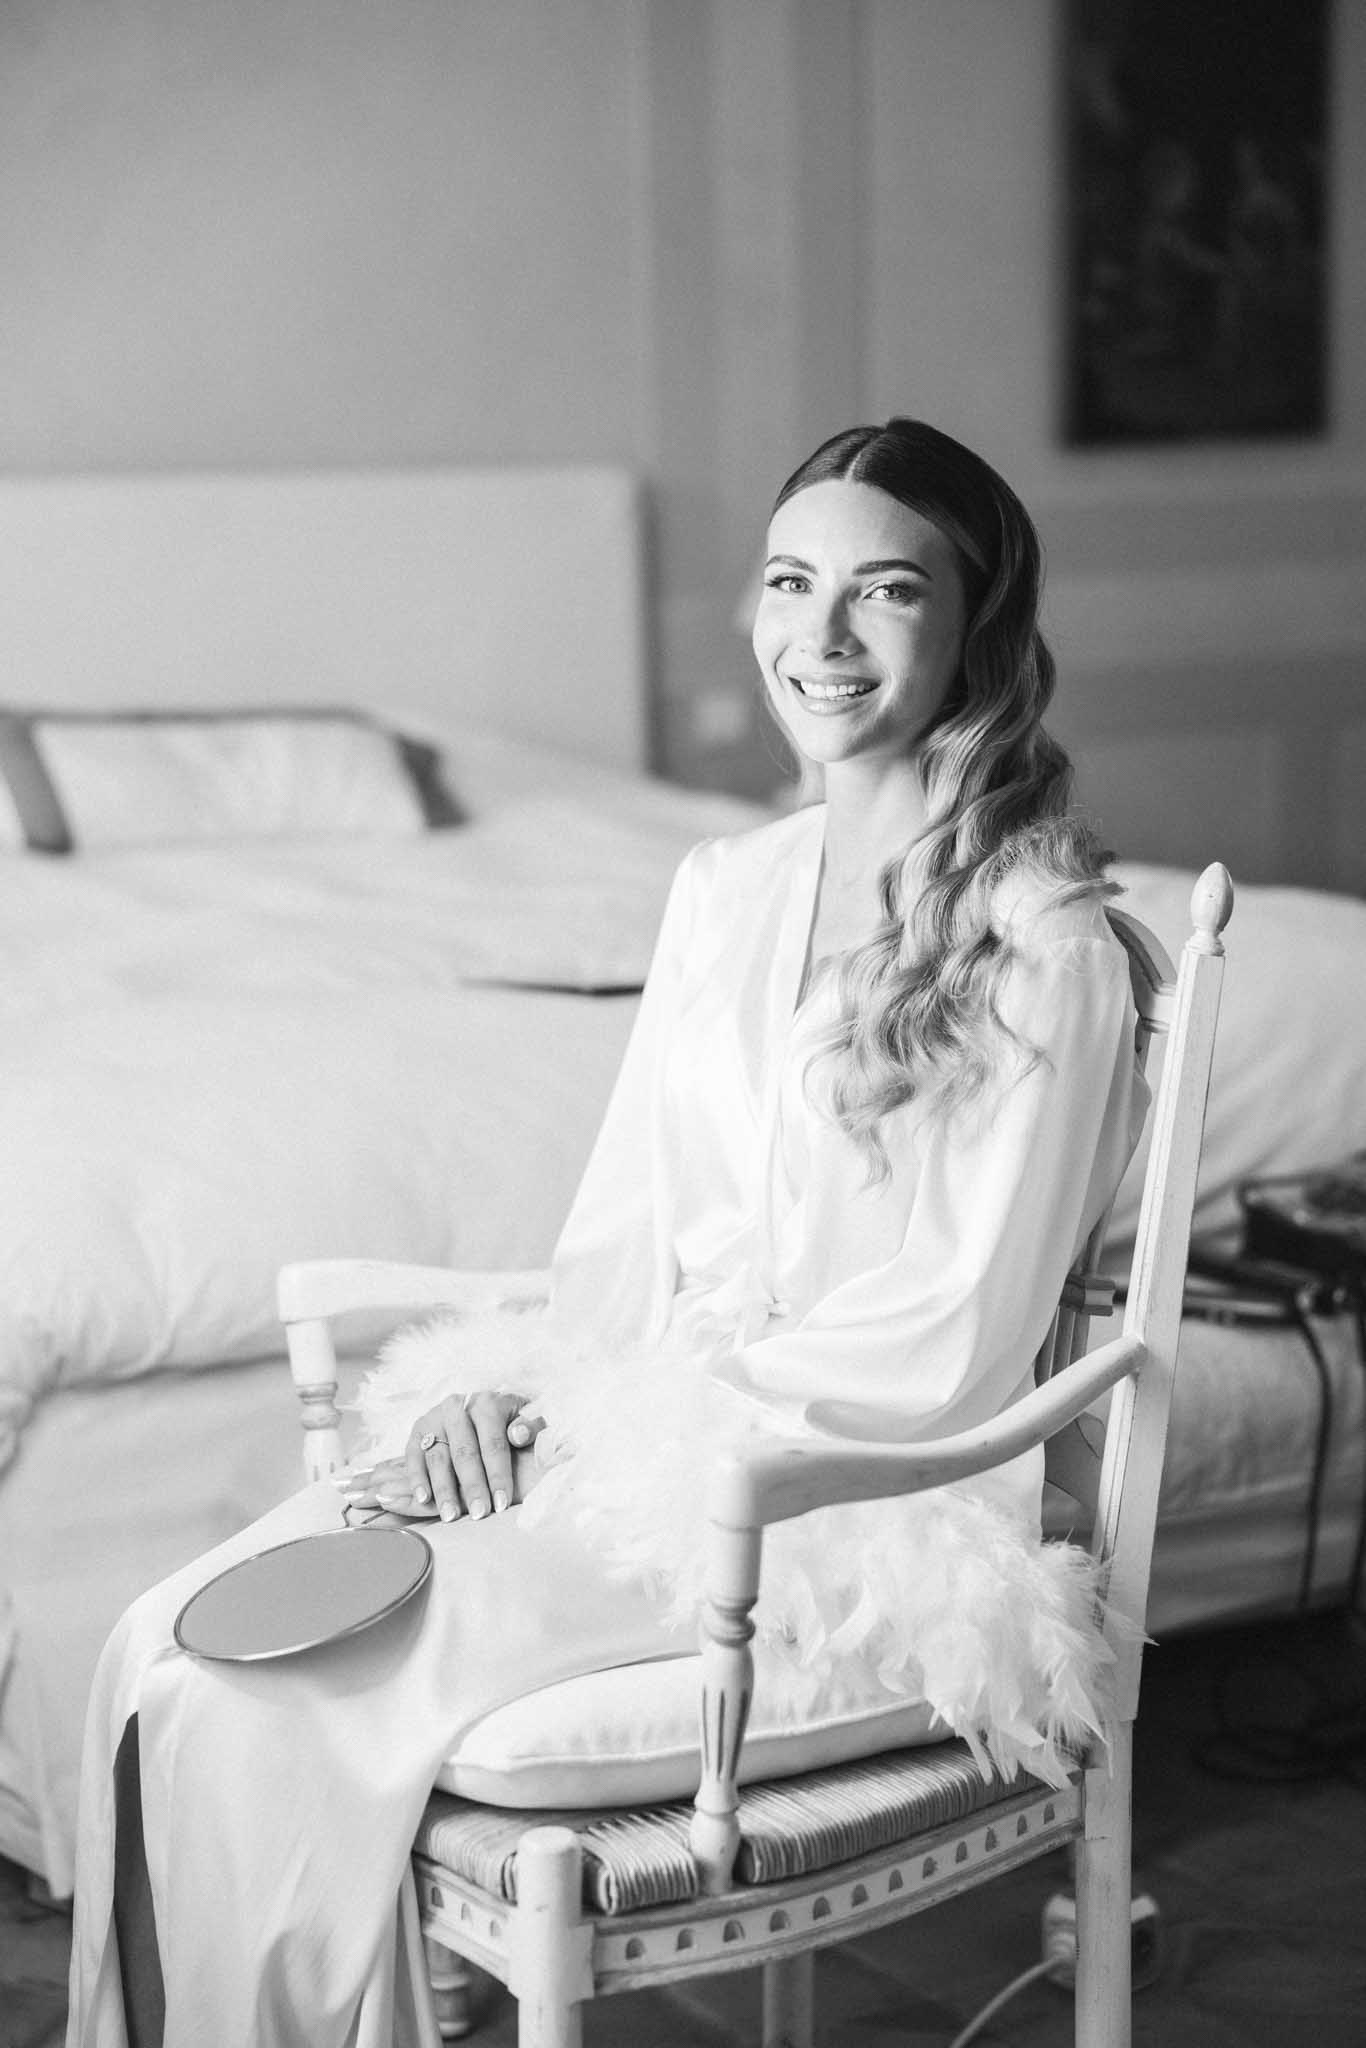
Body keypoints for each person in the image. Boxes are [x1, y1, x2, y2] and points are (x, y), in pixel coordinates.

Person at [67, 418, 1147, 2047]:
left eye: (885, 592)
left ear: (976, 626)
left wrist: (609, 1434)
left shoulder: (1040, 945)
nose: (822, 636)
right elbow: (627, 1240)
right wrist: (518, 1394)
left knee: (290, 1678)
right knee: (160, 1651)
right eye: (791, 585)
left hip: (839, 1514)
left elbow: (945, 1343)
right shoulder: (724, 886)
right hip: (641, 1446)